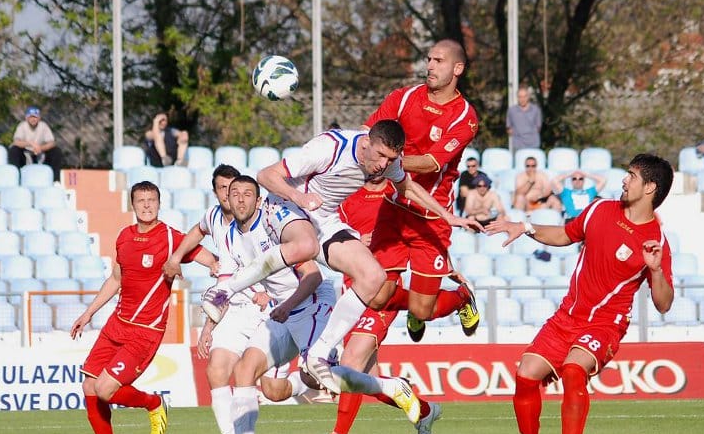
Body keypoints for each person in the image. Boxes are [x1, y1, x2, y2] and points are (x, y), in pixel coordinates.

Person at [167, 119, 478, 408]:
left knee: (374, 276)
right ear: (366, 142)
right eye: (380, 155)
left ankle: (318, 354)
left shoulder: (388, 164)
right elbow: (265, 176)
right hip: (285, 205)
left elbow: (407, 186)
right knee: (306, 245)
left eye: (390, 159)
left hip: (323, 218)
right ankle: (224, 292)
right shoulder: (330, 147)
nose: (383, 165)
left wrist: (447, 215)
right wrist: (300, 198)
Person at [213, 177, 420, 434]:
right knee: (246, 372)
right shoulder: (231, 236)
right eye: (235, 194)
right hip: (281, 312)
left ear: (258, 201)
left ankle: (391, 386)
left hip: (310, 304)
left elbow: (312, 276)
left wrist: (284, 305)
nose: (241, 200)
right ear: (228, 200)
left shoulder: (275, 230)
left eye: (248, 194)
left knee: (322, 377)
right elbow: (233, 281)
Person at [486, 153, 675, 434]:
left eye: (631, 175)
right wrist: (525, 227)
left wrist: (656, 270)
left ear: (650, 187)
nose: (624, 180)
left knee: (574, 371)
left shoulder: (656, 240)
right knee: (525, 374)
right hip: (566, 317)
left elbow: (664, 303)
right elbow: (564, 235)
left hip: (606, 324)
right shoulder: (599, 209)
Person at [162, 164, 307, 434]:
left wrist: (272, 293)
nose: (230, 195)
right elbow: (219, 276)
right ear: (216, 192)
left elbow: (294, 260)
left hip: (267, 309)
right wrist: (207, 326)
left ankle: (308, 381)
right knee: (217, 370)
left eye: (236, 189)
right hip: (236, 310)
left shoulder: (266, 222)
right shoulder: (217, 221)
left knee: (273, 390)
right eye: (223, 189)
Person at [70, 181, 217, 434]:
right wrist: (88, 313)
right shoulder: (124, 237)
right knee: (89, 386)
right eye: (141, 200)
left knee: (105, 389)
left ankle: (154, 402)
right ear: (132, 205)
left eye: (152, 200)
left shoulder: (172, 238)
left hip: (145, 332)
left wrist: (214, 265)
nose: (147, 205)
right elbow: (116, 278)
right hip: (117, 323)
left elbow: (203, 254)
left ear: (159, 204)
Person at [302, 178, 444, 434]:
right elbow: (326, 239)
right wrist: (356, 238)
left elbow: (416, 240)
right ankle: (426, 411)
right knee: (367, 383)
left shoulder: (397, 196)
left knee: (351, 361)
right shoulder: (348, 197)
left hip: (382, 292)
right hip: (352, 297)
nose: (377, 164)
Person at [363, 39, 481, 343]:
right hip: (393, 208)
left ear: (457, 68)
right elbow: (368, 135)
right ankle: (412, 305)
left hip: (430, 217)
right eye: (429, 59)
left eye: (438, 61)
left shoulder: (464, 117)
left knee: (423, 309)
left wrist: (391, 160)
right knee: (376, 296)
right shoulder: (403, 98)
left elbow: (431, 163)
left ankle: (462, 296)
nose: (429, 66)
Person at [8, 106, 64, 182]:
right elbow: (16, 142)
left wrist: (41, 148)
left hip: (40, 154)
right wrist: (30, 144)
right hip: (25, 154)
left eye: (35, 117)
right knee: (13, 150)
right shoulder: (22, 126)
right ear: (27, 118)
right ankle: (16, 180)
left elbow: (52, 142)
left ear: (39, 118)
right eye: (31, 117)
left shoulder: (43, 126)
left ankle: (55, 180)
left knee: (56, 151)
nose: (33, 119)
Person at [506, 85, 542, 151]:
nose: (522, 99)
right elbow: (509, 128)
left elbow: (538, 128)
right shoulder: (511, 110)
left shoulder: (536, 110)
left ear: (528, 97)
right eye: (520, 97)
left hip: (534, 145)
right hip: (518, 146)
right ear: (517, 98)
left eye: (524, 96)